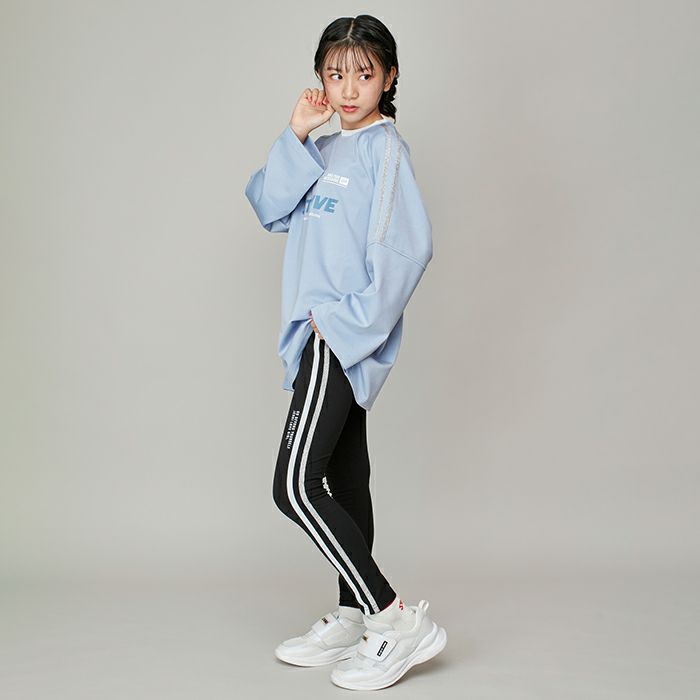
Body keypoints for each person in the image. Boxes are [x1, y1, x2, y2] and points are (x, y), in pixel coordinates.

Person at [244, 14, 447, 690]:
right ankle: (354, 613)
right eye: (336, 74)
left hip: (339, 335)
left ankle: (391, 616)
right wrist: (297, 134)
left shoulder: (386, 153)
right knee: (346, 475)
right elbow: (269, 206)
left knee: (295, 485)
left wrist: (348, 324)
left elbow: (407, 248)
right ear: (320, 80)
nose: (349, 88)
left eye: (364, 74)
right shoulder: (324, 149)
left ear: (389, 78)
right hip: (317, 334)